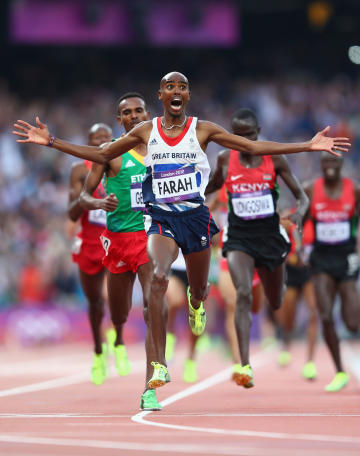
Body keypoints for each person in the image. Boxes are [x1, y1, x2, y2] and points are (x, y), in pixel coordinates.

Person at [13, 71, 351, 393]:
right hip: (161, 219)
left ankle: (196, 302)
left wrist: (307, 146)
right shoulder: (146, 131)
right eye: (169, 87)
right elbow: (102, 154)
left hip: (195, 218)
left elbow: (250, 148)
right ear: (160, 95)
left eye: (182, 87)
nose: (176, 91)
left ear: (188, 95)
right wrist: (52, 141)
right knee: (158, 277)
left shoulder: (202, 129)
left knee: (200, 288)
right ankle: (159, 365)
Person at [205, 108, 310, 388]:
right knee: (241, 294)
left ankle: (274, 290)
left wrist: (300, 212)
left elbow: (302, 196)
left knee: (275, 301)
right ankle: (244, 365)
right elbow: (211, 187)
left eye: (249, 136)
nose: (244, 142)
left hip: (269, 238)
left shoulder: (274, 157)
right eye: (237, 137)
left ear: (258, 132)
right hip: (238, 237)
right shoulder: (225, 158)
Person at [78, 93, 166, 410]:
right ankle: (116, 335)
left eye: (138, 110)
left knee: (153, 304)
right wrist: (99, 203)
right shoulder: (111, 154)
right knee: (120, 313)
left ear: (147, 113)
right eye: (126, 113)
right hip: (118, 241)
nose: (133, 116)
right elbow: (83, 199)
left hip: (151, 236)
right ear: (121, 120)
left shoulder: (164, 148)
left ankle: (152, 383)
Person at [304, 152, 360, 392]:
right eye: (325, 162)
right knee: (325, 314)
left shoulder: (354, 190)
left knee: (353, 323)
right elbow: (301, 218)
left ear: (340, 165)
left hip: (346, 258)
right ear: (321, 164)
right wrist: (301, 245)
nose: (329, 166)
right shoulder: (310, 189)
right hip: (321, 259)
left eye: (333, 162)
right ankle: (339, 371)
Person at [68, 123, 113, 385]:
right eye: (96, 139)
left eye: (106, 138)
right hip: (89, 245)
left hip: (117, 239)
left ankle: (118, 342)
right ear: (88, 143)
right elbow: (72, 212)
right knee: (95, 303)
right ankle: (98, 351)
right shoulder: (78, 170)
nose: (101, 143)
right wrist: (86, 198)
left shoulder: (121, 163)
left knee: (120, 299)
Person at [276, 216, 318, 380]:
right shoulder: (291, 217)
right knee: (289, 318)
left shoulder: (316, 217)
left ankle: (310, 362)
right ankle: (286, 344)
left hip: (310, 272)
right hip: (292, 272)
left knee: (313, 312)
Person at [165, 251, 200, 383]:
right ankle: (170, 340)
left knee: (195, 317)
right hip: (176, 266)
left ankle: (191, 359)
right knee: (174, 301)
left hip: (198, 268)